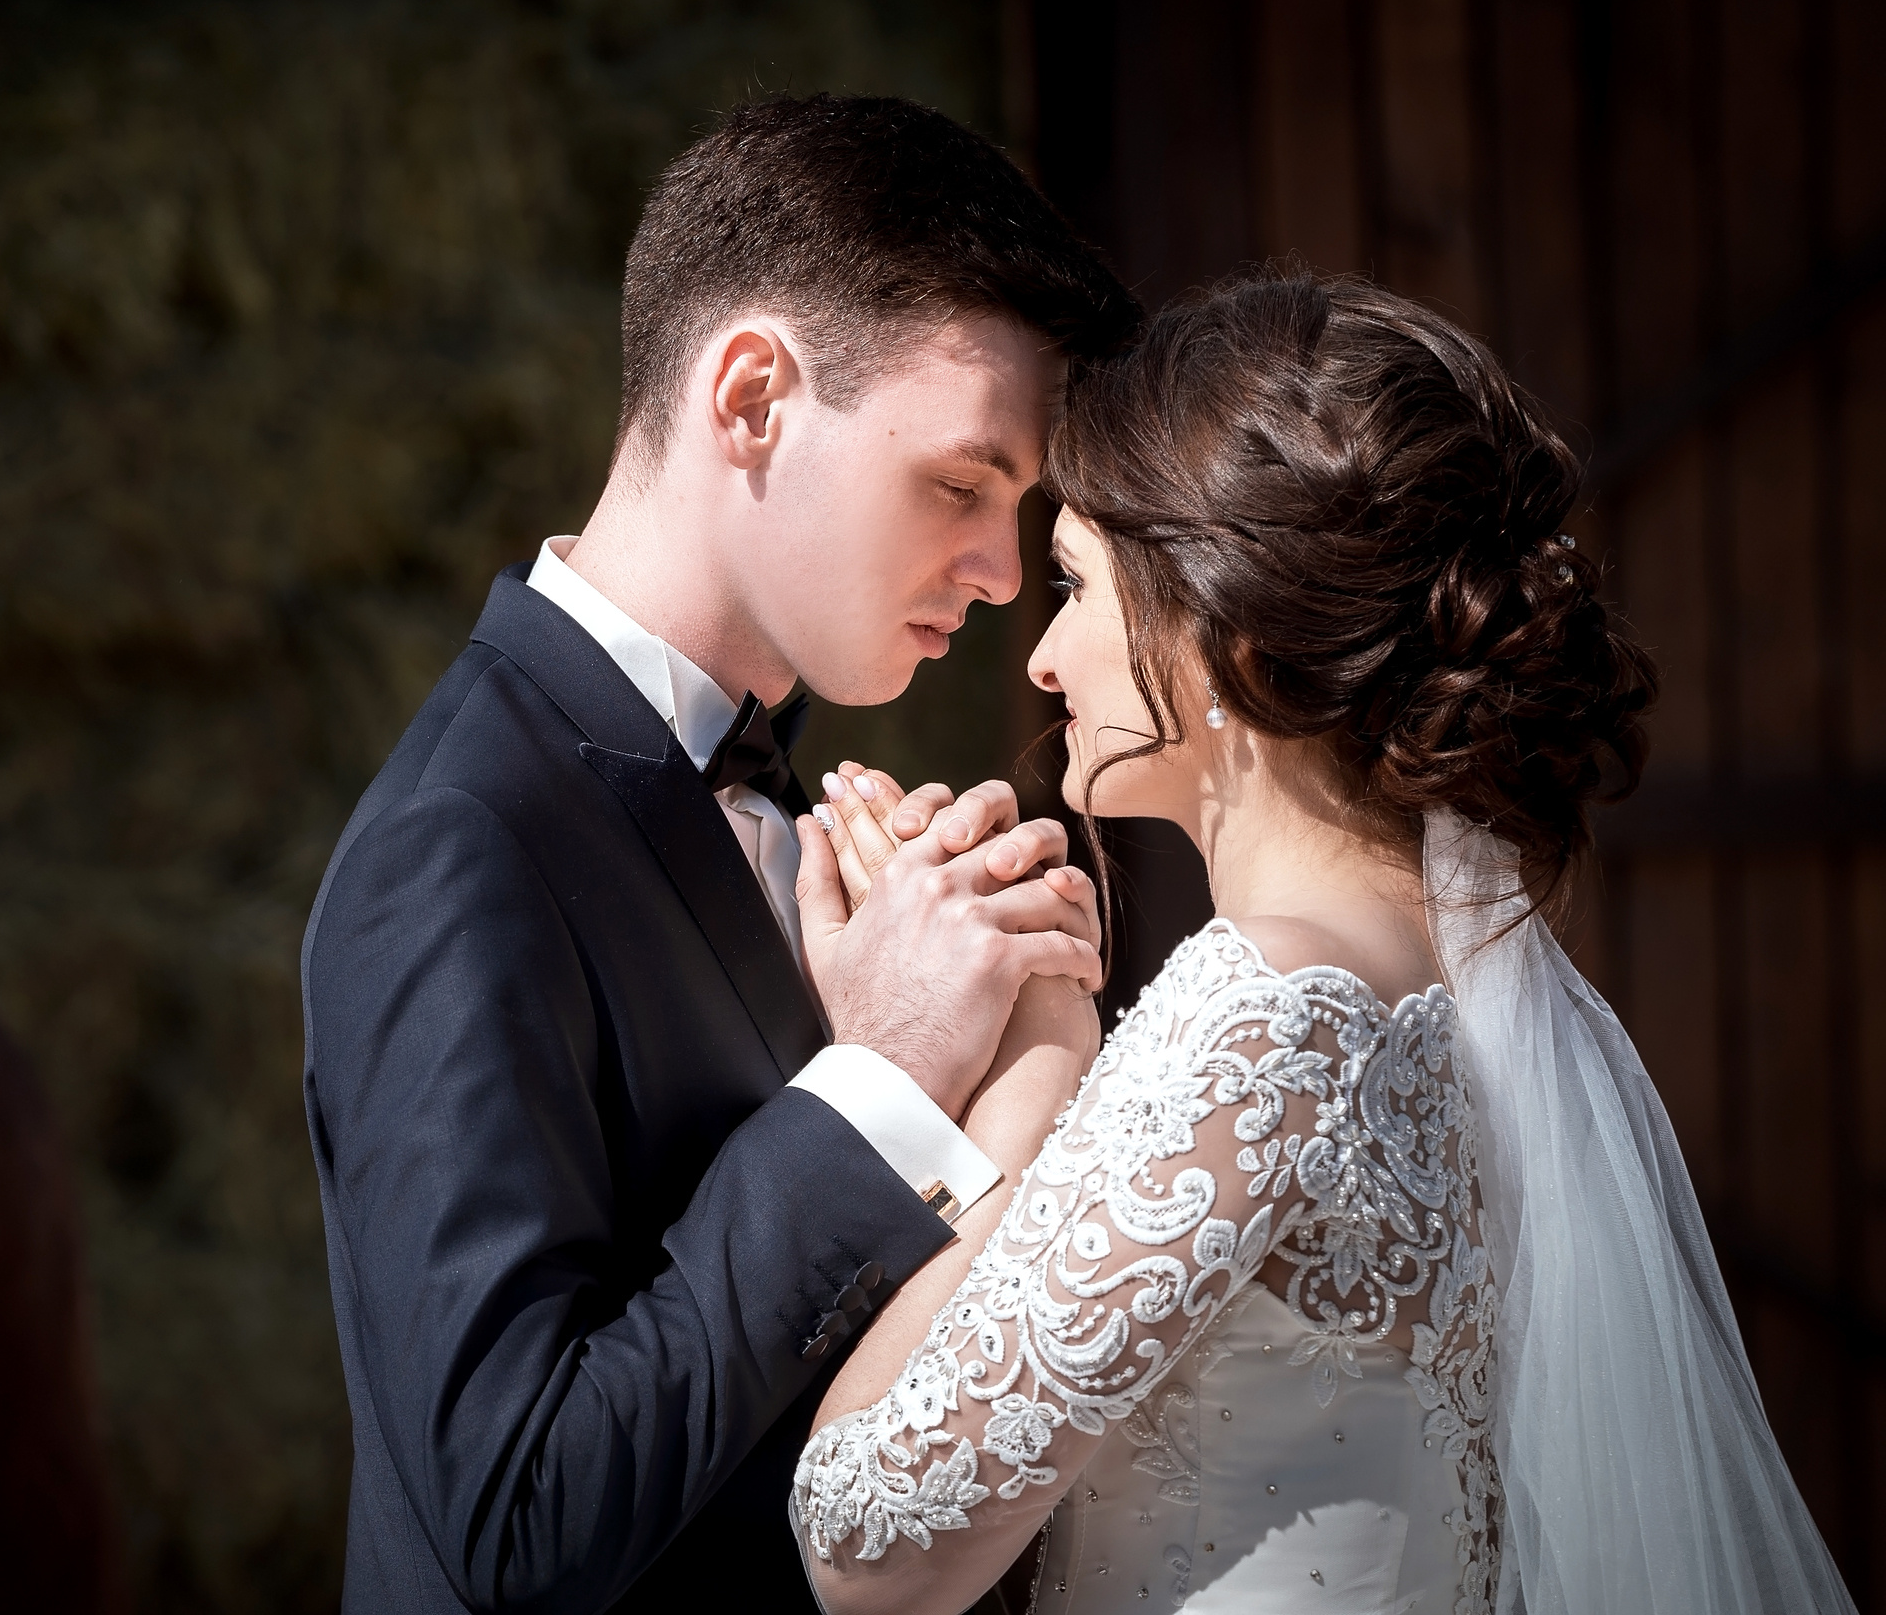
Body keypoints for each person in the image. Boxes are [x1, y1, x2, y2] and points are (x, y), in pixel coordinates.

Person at [790, 270, 1859, 1615]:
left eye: (1076, 586)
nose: (1046, 659)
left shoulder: (1267, 1009)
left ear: (1224, 629)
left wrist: (1025, 1095)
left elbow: (864, 1538)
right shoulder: (1453, 994)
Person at [299, 93, 1137, 1613]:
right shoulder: (460, 844)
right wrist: (878, 1078)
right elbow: (519, 1518)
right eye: (962, 485)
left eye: (1020, 514)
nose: (1005, 576)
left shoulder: (777, 808)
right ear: (750, 396)